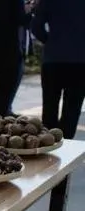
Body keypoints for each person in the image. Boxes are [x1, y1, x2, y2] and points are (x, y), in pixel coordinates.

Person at [31, 0, 85, 139]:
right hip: (80, 60)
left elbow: (36, 26)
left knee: (49, 106)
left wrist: (49, 41)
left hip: (53, 59)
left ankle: (49, 144)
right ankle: (66, 142)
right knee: (72, 109)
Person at [6, 0, 36, 116]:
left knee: (14, 82)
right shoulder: (16, 16)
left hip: (20, 52)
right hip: (14, 53)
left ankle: (7, 107)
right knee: (11, 82)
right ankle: (6, 109)